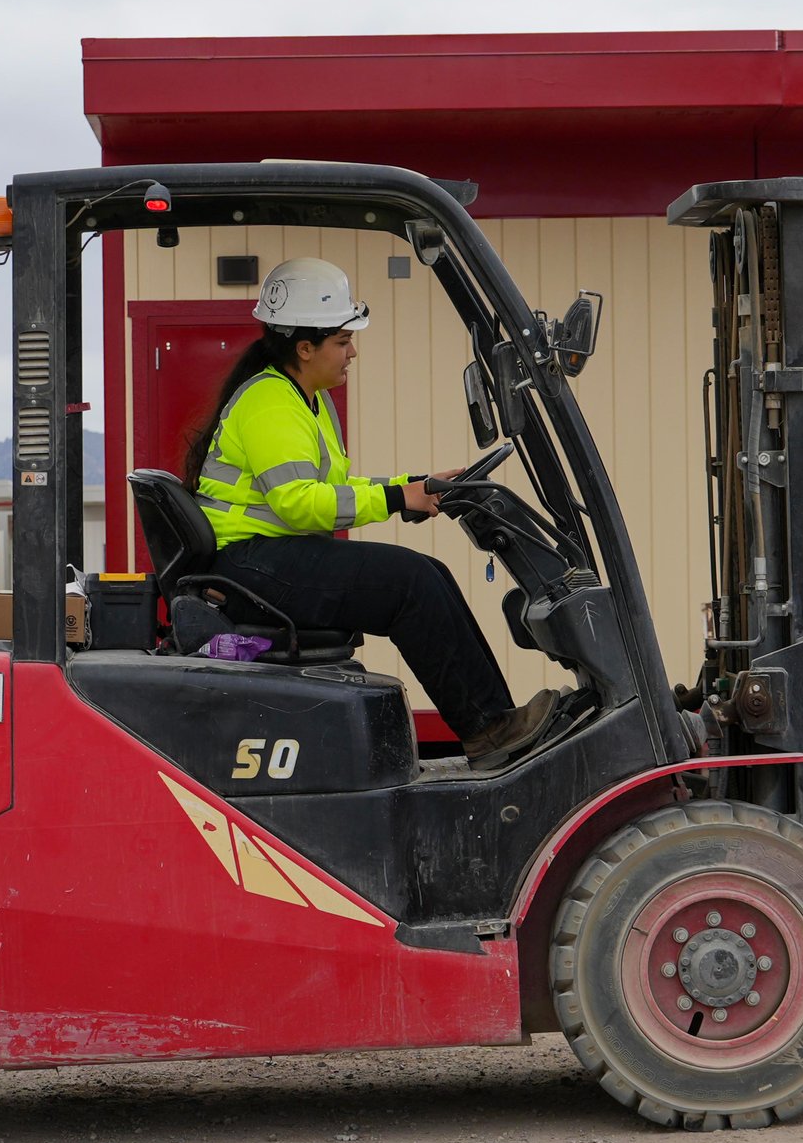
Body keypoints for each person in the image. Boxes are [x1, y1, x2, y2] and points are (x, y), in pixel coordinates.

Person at [189, 256, 560, 769]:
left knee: (427, 573)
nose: (352, 352)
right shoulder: (271, 403)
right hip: (252, 565)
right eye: (343, 341)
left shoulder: (306, 398)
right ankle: (488, 731)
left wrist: (410, 487)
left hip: (267, 558)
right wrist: (396, 499)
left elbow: (332, 489)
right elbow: (300, 504)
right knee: (411, 583)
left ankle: (495, 722)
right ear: (305, 347)